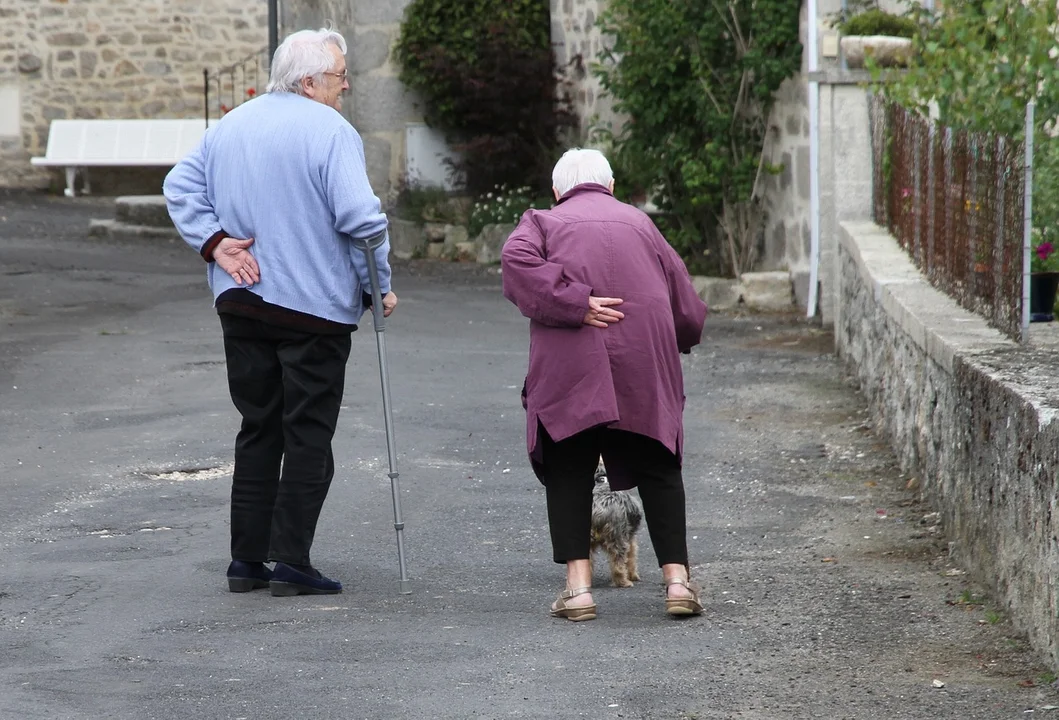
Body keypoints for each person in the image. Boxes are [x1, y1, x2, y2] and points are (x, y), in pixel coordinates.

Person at [163, 28, 396, 597]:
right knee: (308, 435)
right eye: (340, 76)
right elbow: (362, 222)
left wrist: (216, 243)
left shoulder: (233, 124)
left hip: (241, 301)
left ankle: (247, 562)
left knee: (259, 427)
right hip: (312, 308)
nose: (345, 86)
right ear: (311, 81)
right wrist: (377, 288)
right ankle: (292, 561)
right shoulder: (333, 131)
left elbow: (179, 186)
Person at [501, 148, 708, 621]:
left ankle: (578, 590)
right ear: (611, 186)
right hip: (643, 357)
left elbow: (515, 261)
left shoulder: (542, 222)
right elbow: (686, 301)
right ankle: (677, 583)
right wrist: (683, 335)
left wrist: (574, 302)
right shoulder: (641, 224)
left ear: (558, 191)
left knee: (570, 464)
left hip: (572, 359)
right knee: (658, 462)